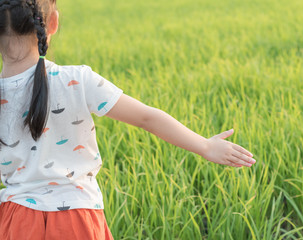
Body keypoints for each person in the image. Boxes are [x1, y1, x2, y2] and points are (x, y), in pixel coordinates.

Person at [0, 0, 256, 239]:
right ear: (52, 23)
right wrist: (206, 146)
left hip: (15, 221)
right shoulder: (78, 80)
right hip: (77, 217)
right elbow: (147, 117)